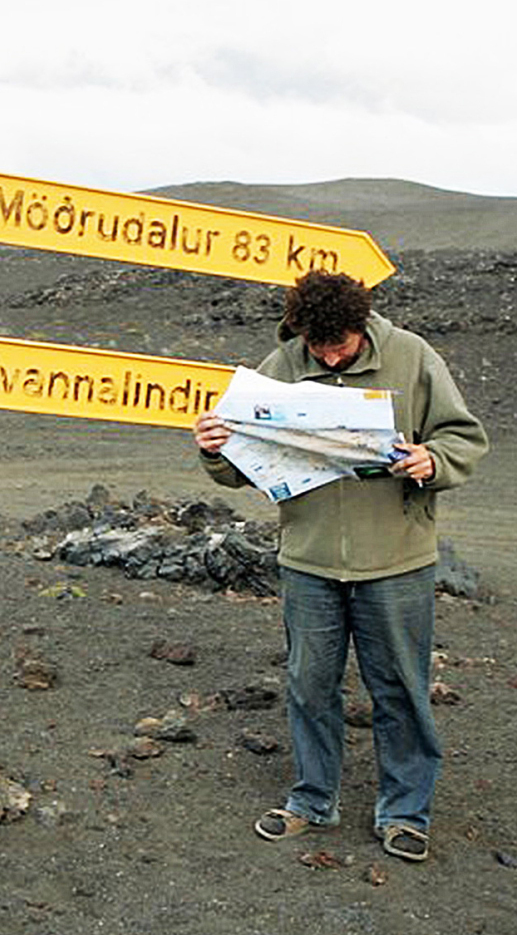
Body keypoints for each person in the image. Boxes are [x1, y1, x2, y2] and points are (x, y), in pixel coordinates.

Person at [193, 269, 488, 862]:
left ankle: (405, 812)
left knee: (400, 689)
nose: (328, 354)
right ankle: (311, 800)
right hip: (310, 559)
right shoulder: (279, 367)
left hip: (397, 560)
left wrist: (433, 459)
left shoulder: (413, 356)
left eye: (341, 345)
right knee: (309, 684)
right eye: (317, 346)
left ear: (362, 327)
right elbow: (238, 466)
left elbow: (465, 437)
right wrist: (212, 448)